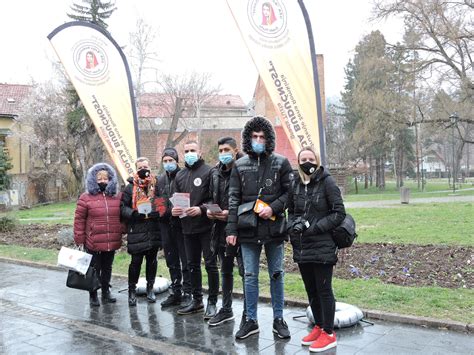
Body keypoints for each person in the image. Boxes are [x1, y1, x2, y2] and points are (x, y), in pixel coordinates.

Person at [226, 116, 293, 340]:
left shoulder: (281, 163)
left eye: (262, 137)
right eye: (254, 136)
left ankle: (279, 319)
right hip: (247, 228)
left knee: (276, 274)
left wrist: (273, 208)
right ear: (248, 138)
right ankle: (251, 320)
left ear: (268, 139)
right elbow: (233, 198)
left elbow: (289, 194)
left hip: (274, 228)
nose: (258, 140)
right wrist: (231, 230)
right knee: (249, 276)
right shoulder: (239, 165)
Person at [287, 147, 346, 352]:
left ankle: (329, 333)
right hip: (302, 247)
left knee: (323, 290)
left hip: (322, 245)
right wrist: (292, 226)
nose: (308, 162)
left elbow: (339, 212)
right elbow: (291, 211)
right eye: (304, 159)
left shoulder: (327, 181)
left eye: (311, 159)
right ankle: (319, 326)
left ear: (317, 160)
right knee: (311, 290)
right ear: (298, 161)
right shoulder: (295, 183)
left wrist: (316, 227)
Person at [172, 140, 219, 320]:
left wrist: (201, 209)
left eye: (193, 150)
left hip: (207, 228)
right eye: (187, 151)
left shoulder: (209, 172)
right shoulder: (180, 175)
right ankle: (197, 300)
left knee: (210, 264)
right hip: (187, 228)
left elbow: (217, 201)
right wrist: (175, 210)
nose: (190, 153)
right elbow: (176, 200)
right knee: (191, 265)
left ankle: (213, 302)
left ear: (200, 152)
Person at [207, 137, 246, 328]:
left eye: (226, 149)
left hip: (242, 230)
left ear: (235, 150)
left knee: (246, 272)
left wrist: (231, 214)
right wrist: (209, 211)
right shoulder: (215, 173)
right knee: (226, 270)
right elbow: (209, 196)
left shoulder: (245, 169)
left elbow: (250, 200)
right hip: (220, 230)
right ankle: (227, 308)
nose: (223, 153)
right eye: (220, 150)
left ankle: (249, 312)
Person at [73, 163, 124, 307]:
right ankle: (93, 294)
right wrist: (79, 237)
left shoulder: (116, 196)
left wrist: (122, 228)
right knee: (94, 268)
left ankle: (106, 292)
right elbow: (79, 219)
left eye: (105, 178)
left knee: (107, 268)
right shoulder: (85, 197)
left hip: (111, 240)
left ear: (110, 179)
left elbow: (122, 216)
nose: (102, 181)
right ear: (93, 180)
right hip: (93, 241)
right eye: (99, 178)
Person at [121, 157, 161, 306]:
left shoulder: (156, 184)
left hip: (153, 229)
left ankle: (150, 288)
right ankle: (132, 290)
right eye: (140, 167)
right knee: (135, 262)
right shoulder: (129, 187)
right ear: (136, 169)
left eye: (146, 166)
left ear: (150, 167)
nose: (143, 169)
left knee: (152, 261)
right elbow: (122, 207)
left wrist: (157, 212)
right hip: (136, 229)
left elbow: (161, 202)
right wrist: (133, 214)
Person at [156, 147, 192, 307]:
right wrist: (167, 211)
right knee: (171, 260)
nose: (168, 163)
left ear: (176, 161)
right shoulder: (160, 180)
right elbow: (158, 203)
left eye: (171, 160)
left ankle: (188, 292)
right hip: (166, 225)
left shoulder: (184, 176)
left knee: (186, 261)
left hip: (182, 225)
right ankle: (175, 291)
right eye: (165, 161)